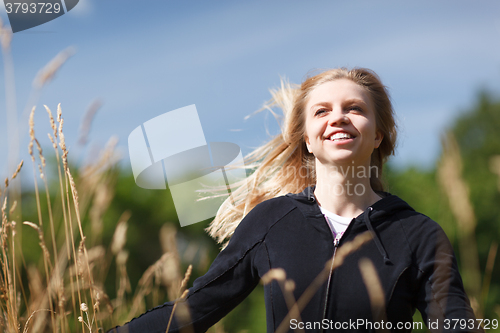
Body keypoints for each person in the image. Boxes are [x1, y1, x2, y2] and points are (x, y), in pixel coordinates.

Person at [109, 68, 482, 332]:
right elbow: (195, 311)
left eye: (354, 108)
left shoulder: (418, 235)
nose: (339, 118)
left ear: (379, 135)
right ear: (306, 138)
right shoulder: (270, 221)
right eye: (322, 111)